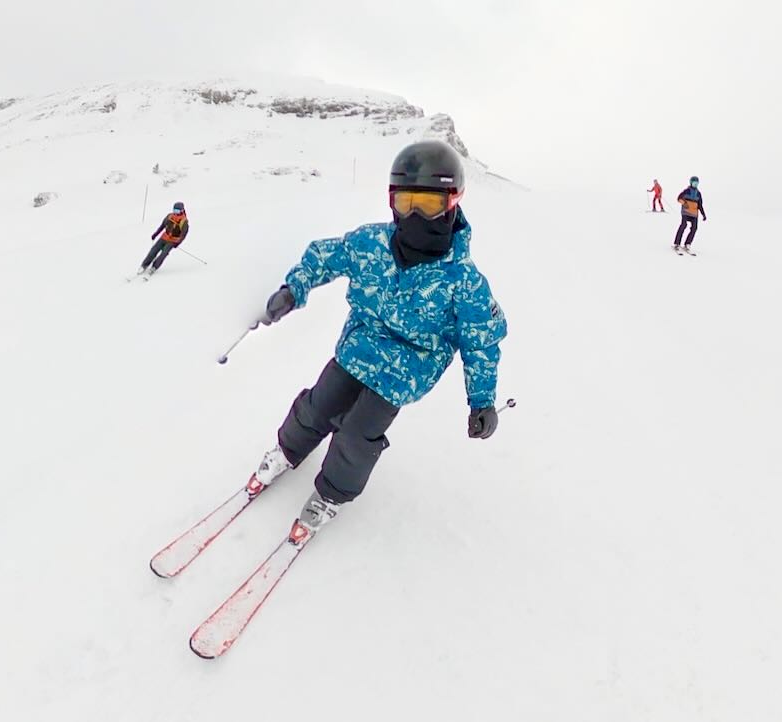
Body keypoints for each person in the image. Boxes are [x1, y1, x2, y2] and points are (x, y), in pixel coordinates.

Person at [248, 140, 509, 546]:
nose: (416, 215)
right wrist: (293, 289)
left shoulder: (464, 281)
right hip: (359, 348)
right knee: (318, 405)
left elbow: (482, 342)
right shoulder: (372, 244)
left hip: (407, 369)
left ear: (453, 202)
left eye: (428, 203)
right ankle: (286, 451)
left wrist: (482, 401)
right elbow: (325, 256)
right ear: (391, 202)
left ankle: (331, 494)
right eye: (406, 202)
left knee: (356, 435)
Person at [139, 202, 189, 276]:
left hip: (173, 240)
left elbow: (183, 235)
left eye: (177, 211)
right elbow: (162, 226)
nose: (175, 212)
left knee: (163, 254)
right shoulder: (169, 216)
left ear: (182, 210)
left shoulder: (184, 221)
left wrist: (177, 243)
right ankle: (144, 265)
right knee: (153, 251)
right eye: (174, 210)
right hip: (164, 237)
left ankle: (154, 267)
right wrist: (155, 234)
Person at [673, 176, 706, 253]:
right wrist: (684, 203)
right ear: (691, 183)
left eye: (697, 183)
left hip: (694, 214)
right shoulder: (687, 191)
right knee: (683, 225)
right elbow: (679, 198)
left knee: (694, 228)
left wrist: (703, 214)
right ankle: (677, 243)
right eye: (694, 183)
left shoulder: (698, 194)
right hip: (685, 212)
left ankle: (687, 244)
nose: (695, 184)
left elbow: (700, 205)